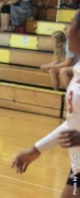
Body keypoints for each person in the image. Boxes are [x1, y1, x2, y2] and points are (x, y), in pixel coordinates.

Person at [12, 10, 80, 198]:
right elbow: (74, 122)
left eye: (71, 24)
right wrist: (37, 149)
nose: (67, 30)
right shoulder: (77, 69)